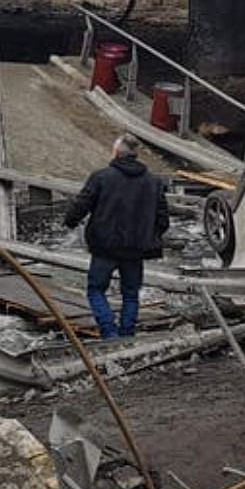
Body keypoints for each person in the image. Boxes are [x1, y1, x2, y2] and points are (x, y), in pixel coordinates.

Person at [64, 136, 169, 339]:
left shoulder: (101, 177)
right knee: (131, 294)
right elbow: (163, 219)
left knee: (96, 290)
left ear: (116, 153)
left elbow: (81, 205)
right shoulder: (153, 182)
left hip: (105, 246)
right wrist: (149, 236)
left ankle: (109, 331)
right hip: (136, 248)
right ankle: (127, 334)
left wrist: (70, 221)